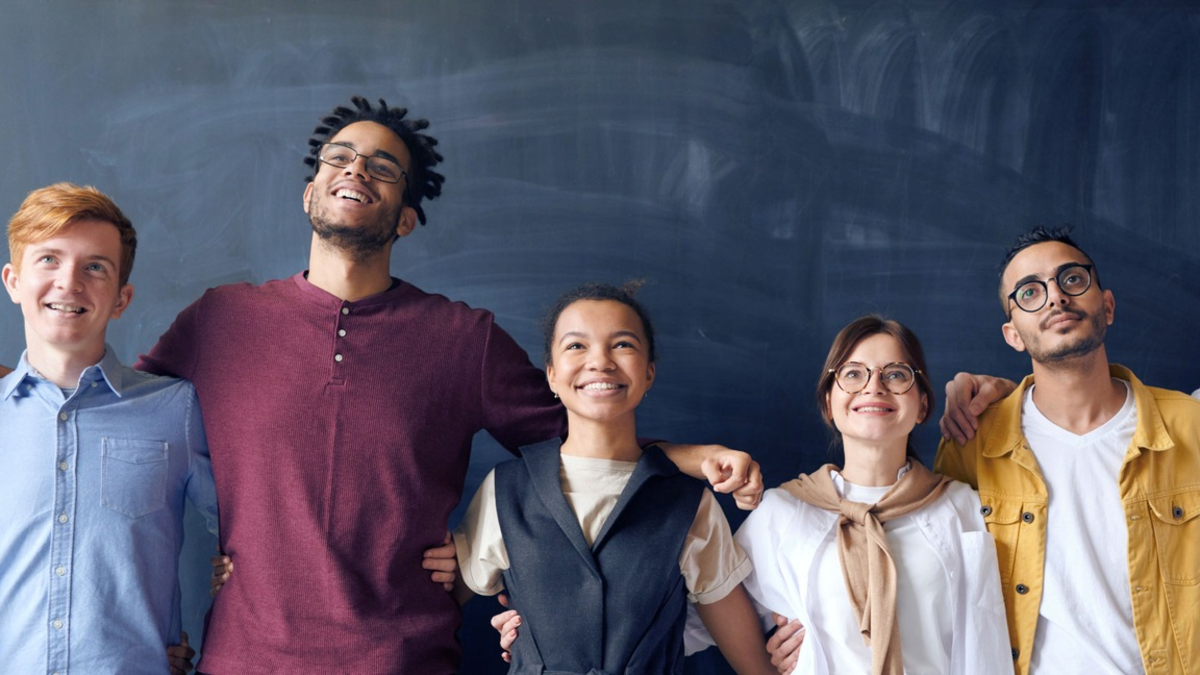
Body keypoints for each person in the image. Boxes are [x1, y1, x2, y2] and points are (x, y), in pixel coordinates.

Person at [136, 96, 762, 674]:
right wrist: (187, 568)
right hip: (247, 654)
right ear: (309, 192)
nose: (357, 169)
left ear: (406, 219)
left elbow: (574, 435)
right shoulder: (221, 321)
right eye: (341, 156)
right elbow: (130, 431)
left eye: (383, 166)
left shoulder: (463, 339)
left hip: (404, 657)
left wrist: (686, 456)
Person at [452, 282, 774, 674]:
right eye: (576, 346)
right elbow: (432, 612)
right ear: (551, 376)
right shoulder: (506, 491)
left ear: (650, 372)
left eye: (623, 344)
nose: (600, 361)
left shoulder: (687, 502)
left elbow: (753, 663)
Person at [934, 226, 1200, 674]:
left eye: (1072, 279)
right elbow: (932, 580)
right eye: (1030, 292)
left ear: (1108, 306)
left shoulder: (1190, 427)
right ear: (1012, 334)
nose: (1056, 297)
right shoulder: (973, 442)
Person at [704, 315, 1009, 674]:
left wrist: (1008, 395)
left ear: (923, 405)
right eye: (853, 373)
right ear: (828, 403)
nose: (874, 387)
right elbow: (705, 608)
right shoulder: (784, 512)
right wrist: (763, 659)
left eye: (896, 374)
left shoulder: (966, 508)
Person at [0, 183, 217, 674]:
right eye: (49, 260)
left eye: (94, 267)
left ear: (122, 299)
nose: (69, 283)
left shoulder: (175, 411)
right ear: (13, 281)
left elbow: (262, 529)